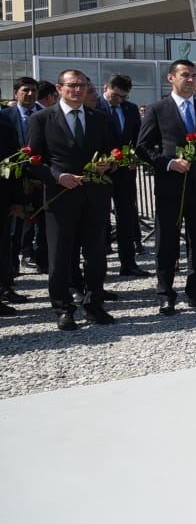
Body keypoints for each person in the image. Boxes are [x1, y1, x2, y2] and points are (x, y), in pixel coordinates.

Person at [24, 69, 116, 330]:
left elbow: (112, 153)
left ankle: (94, 303)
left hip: (94, 196)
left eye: (83, 86)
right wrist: (56, 176)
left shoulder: (99, 118)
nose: (78, 90)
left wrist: (108, 164)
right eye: (72, 85)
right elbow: (32, 160)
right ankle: (63, 308)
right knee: (61, 256)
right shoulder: (42, 118)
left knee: (96, 254)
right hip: (61, 196)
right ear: (59, 88)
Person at [137, 59, 196, 314]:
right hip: (171, 187)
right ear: (171, 79)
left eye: (194, 76)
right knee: (166, 241)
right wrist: (167, 163)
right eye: (185, 75)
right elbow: (143, 147)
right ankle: (165, 293)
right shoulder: (158, 109)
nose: (190, 80)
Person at [102, 74, 146, 276]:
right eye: (116, 95)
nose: (119, 100)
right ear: (106, 88)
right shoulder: (94, 107)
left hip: (125, 173)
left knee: (126, 217)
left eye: (123, 96)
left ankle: (128, 263)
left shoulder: (130, 109)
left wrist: (135, 158)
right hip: (101, 171)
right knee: (99, 218)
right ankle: (98, 265)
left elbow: (138, 138)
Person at [4, 77, 44, 279]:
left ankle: (41, 260)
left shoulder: (45, 115)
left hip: (42, 177)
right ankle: (10, 272)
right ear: (15, 93)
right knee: (13, 228)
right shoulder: (6, 116)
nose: (30, 94)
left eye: (34, 90)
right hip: (14, 179)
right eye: (25, 90)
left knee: (42, 222)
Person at [0, 111, 22, 316]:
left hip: (2, 197)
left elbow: (14, 164)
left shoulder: (5, 127)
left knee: (2, 247)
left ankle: (4, 288)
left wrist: (16, 199)